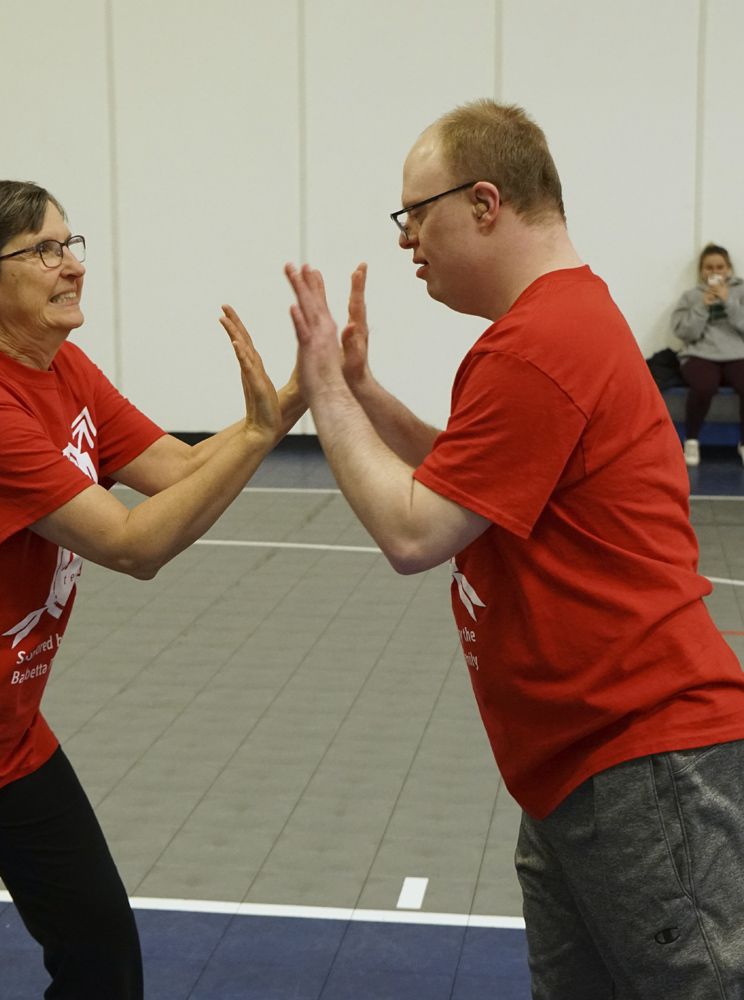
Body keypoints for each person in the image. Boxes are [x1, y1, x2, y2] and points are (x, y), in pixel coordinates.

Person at [285, 100, 744, 998]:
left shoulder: (539, 344)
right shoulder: (556, 327)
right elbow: (471, 490)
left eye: (418, 214)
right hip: (581, 764)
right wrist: (366, 393)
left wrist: (324, 396)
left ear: (485, 203)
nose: (409, 239)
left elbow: (416, 531)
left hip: (639, 759)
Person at [0, 179, 303, 999]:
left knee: (100, 951)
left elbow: (177, 471)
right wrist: (260, 433)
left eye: (70, 244)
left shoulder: (62, 367)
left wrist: (291, 400)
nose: (71, 265)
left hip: (0, 728)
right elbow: (133, 543)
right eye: (43, 250)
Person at [671, 243, 744, 466]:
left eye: (719, 267)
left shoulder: (740, 291)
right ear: (702, 271)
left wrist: (728, 301)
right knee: (703, 386)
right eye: (709, 268)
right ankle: (691, 440)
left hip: (736, 353)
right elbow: (686, 333)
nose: (714, 272)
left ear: (728, 268)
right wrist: (702, 306)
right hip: (700, 353)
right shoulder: (691, 296)